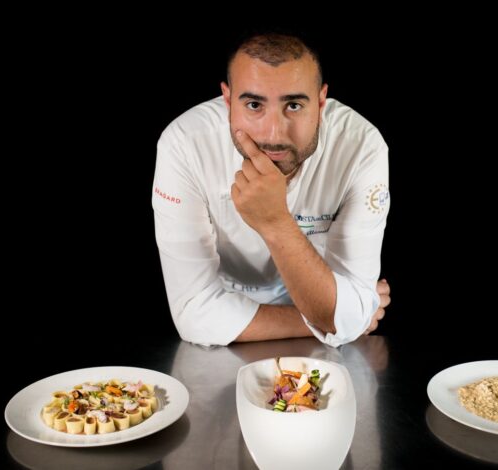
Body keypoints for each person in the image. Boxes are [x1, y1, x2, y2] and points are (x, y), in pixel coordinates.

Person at [152, 33, 391, 347]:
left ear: (321, 102)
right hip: (234, 321)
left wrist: (275, 222)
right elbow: (194, 313)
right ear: (227, 101)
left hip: (304, 314)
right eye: (254, 105)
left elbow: (347, 317)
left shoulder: (361, 147)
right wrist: (338, 319)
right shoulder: (184, 144)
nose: (274, 133)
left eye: (293, 105)